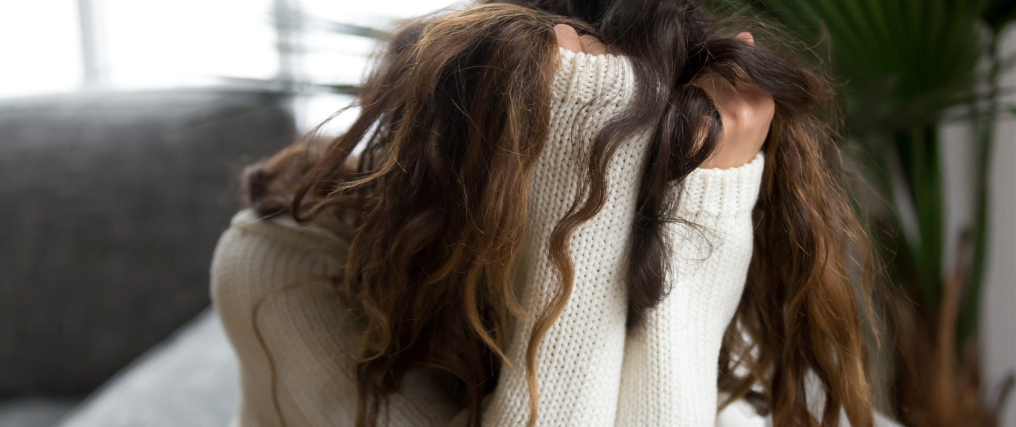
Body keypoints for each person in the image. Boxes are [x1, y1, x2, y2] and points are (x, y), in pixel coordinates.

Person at [211, 1, 892, 426]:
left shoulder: (670, 198)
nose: (609, 198)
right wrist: (581, 174)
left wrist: (707, 202)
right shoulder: (283, 259)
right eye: (585, 171)